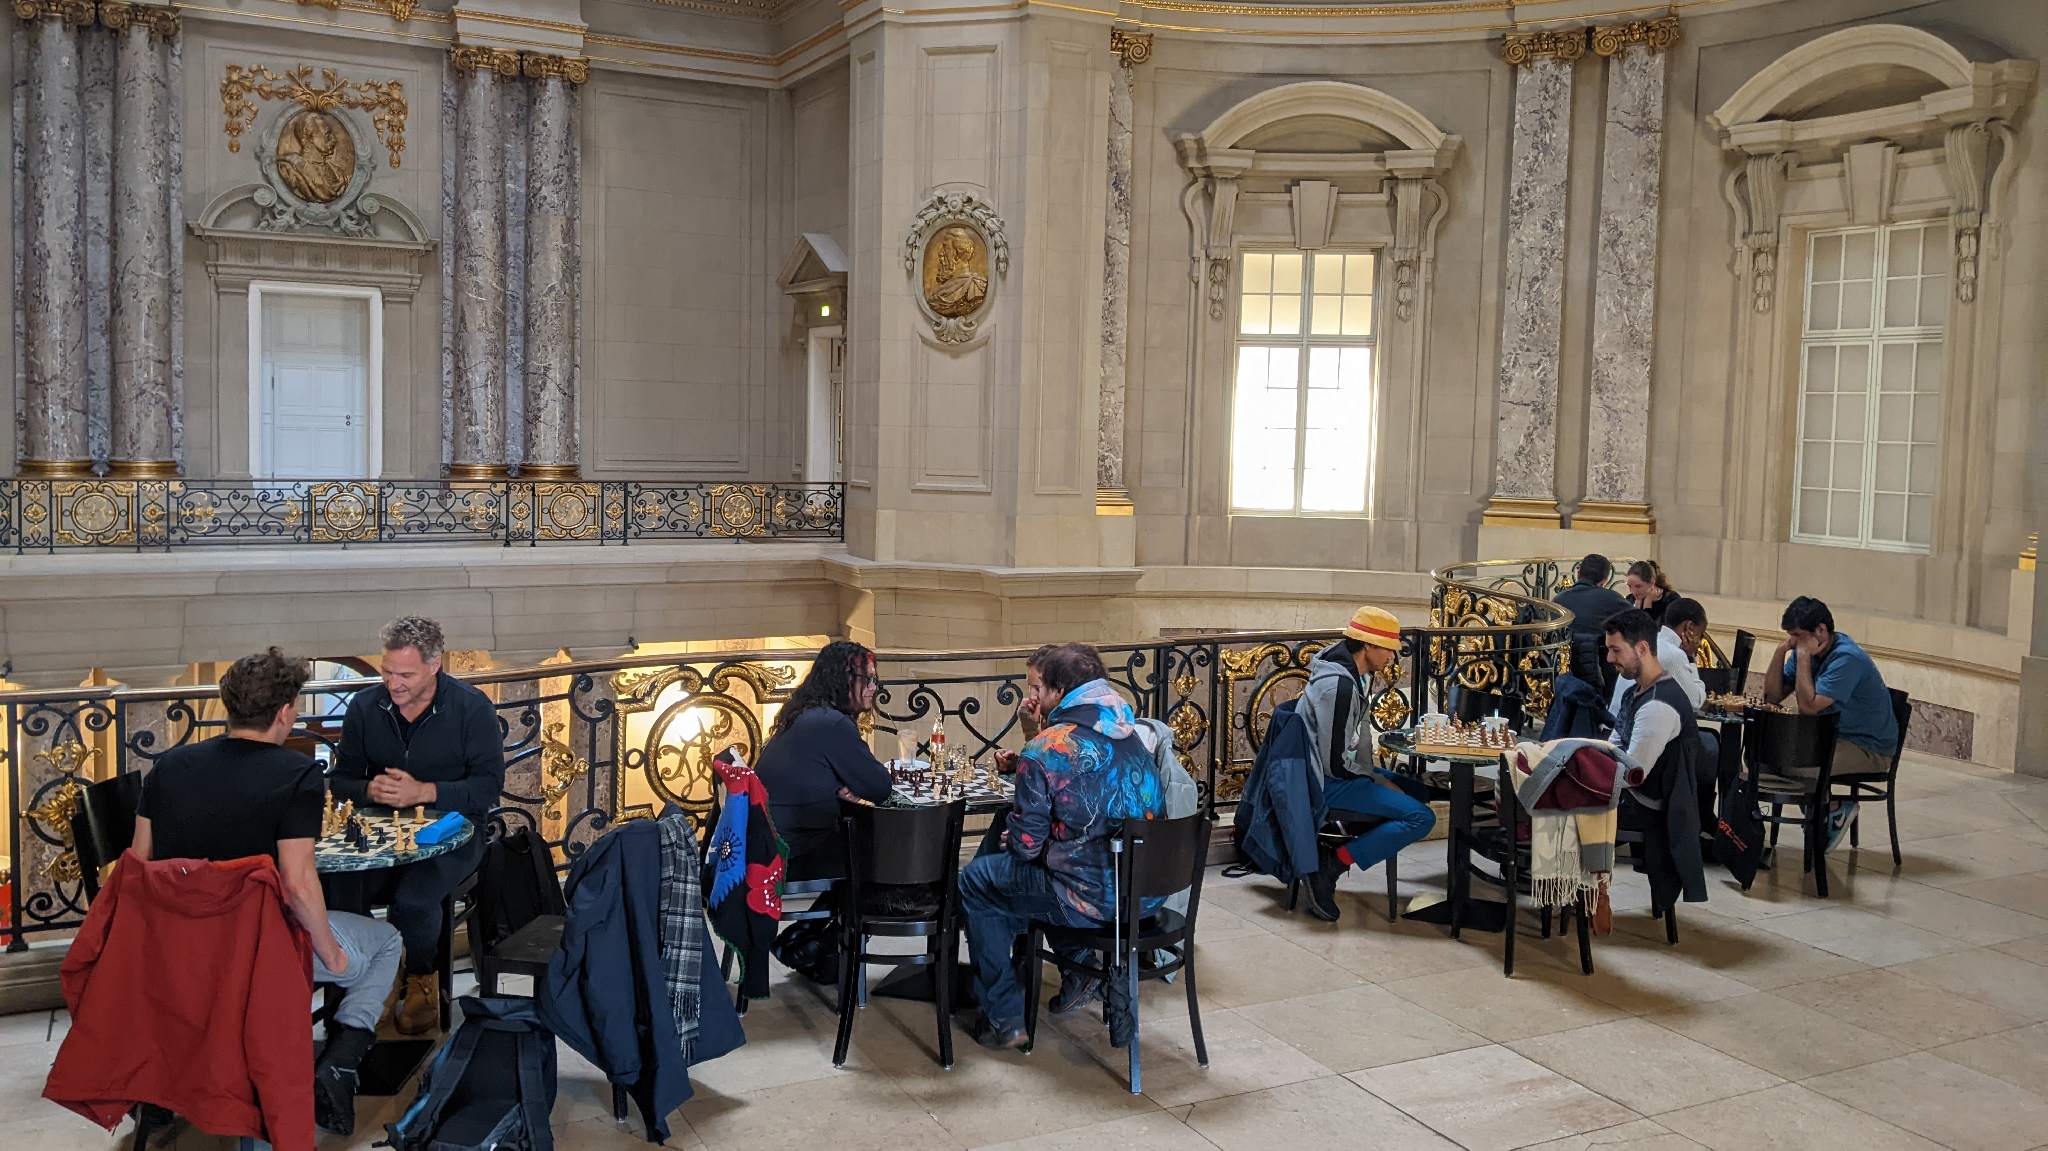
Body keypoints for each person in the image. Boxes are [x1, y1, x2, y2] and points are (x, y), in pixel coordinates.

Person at [131, 648, 403, 1137]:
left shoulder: (168, 767)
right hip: (260, 960)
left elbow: (138, 867)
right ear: (284, 712)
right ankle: (339, 1064)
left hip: (177, 953)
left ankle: (171, 1075)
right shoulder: (295, 775)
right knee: (384, 942)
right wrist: (332, 955)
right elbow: (298, 886)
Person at [957, 643, 1164, 1050]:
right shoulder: (1133, 733)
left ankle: (1004, 1016)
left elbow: (1026, 850)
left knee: (978, 882)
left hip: (1090, 899)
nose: (1031, 697)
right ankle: (1079, 968)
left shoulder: (1048, 748)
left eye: (1037, 688)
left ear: (1060, 690)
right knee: (1018, 879)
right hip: (1143, 893)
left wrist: (1021, 837)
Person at [329, 616, 506, 1035]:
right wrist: (373, 790)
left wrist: (424, 792)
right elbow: (341, 780)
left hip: (455, 832)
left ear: (434, 665)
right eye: (388, 672)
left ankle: (420, 982)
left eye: (405, 674)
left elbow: (486, 789)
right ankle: (361, 980)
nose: (393, 684)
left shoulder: (471, 708)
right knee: (340, 886)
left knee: (414, 897)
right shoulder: (365, 708)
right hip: (381, 833)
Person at [753, 640, 893, 983]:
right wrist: (852, 786)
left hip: (769, 844)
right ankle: (816, 946)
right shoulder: (831, 724)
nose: (874, 689)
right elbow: (880, 787)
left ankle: (811, 943)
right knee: (885, 857)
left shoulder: (805, 714)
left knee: (866, 848)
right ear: (846, 681)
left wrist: (847, 786)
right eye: (869, 680)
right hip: (793, 853)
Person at [1295, 606, 1435, 922]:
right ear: (1368, 645)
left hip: (1335, 770)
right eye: (1388, 648)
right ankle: (1334, 861)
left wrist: (1375, 776)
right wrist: (1375, 781)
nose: (1392, 657)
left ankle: (1353, 840)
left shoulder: (1359, 674)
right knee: (1421, 817)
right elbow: (1334, 763)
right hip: (1325, 781)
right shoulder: (1339, 686)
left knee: (1420, 791)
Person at [1762, 596, 1899, 850]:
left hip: (1868, 747)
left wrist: (1802, 657)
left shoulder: (1847, 658)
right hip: (1831, 737)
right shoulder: (1808, 650)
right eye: (1790, 636)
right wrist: (1781, 651)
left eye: (1798, 636)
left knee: (1797, 762)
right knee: (1768, 756)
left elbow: (1809, 707)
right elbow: (1772, 696)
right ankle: (1823, 814)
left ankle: (1832, 810)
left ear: (1821, 631)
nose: (1794, 642)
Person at [1602, 610, 1708, 907]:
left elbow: (1632, 774)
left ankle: (1577, 896)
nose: (1610, 659)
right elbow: (1614, 744)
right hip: (1636, 795)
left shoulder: (1658, 705)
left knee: (1564, 807)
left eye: (1615, 650)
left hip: (1649, 807)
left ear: (1643, 649)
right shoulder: (1638, 690)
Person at [1556, 554, 1631, 695]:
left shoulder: (1557, 601)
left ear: (1578, 573)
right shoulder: (1613, 600)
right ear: (1605, 581)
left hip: (1561, 678)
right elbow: (1640, 625)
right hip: (1601, 681)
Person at [1626, 560, 1680, 625]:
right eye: (1629, 586)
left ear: (1652, 582)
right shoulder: (1630, 599)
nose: (1633, 591)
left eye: (1638, 586)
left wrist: (1647, 602)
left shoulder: (1671, 600)